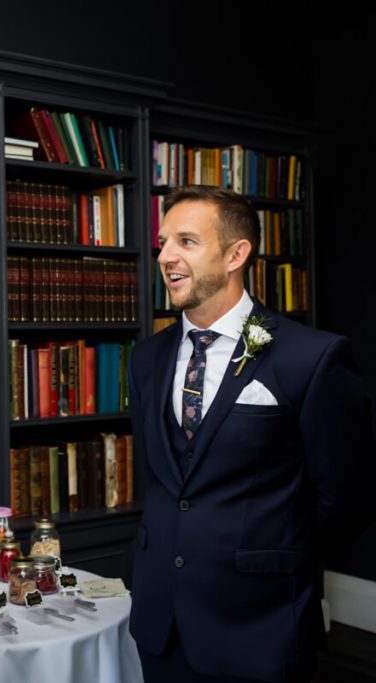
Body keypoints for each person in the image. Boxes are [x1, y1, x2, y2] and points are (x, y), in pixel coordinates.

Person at [128, 185, 376, 683]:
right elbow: (162, 477)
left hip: (258, 625)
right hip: (161, 621)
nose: (165, 256)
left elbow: (347, 496)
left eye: (186, 241)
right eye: (162, 242)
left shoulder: (311, 357)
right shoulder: (146, 358)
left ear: (236, 254)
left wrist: (274, 551)